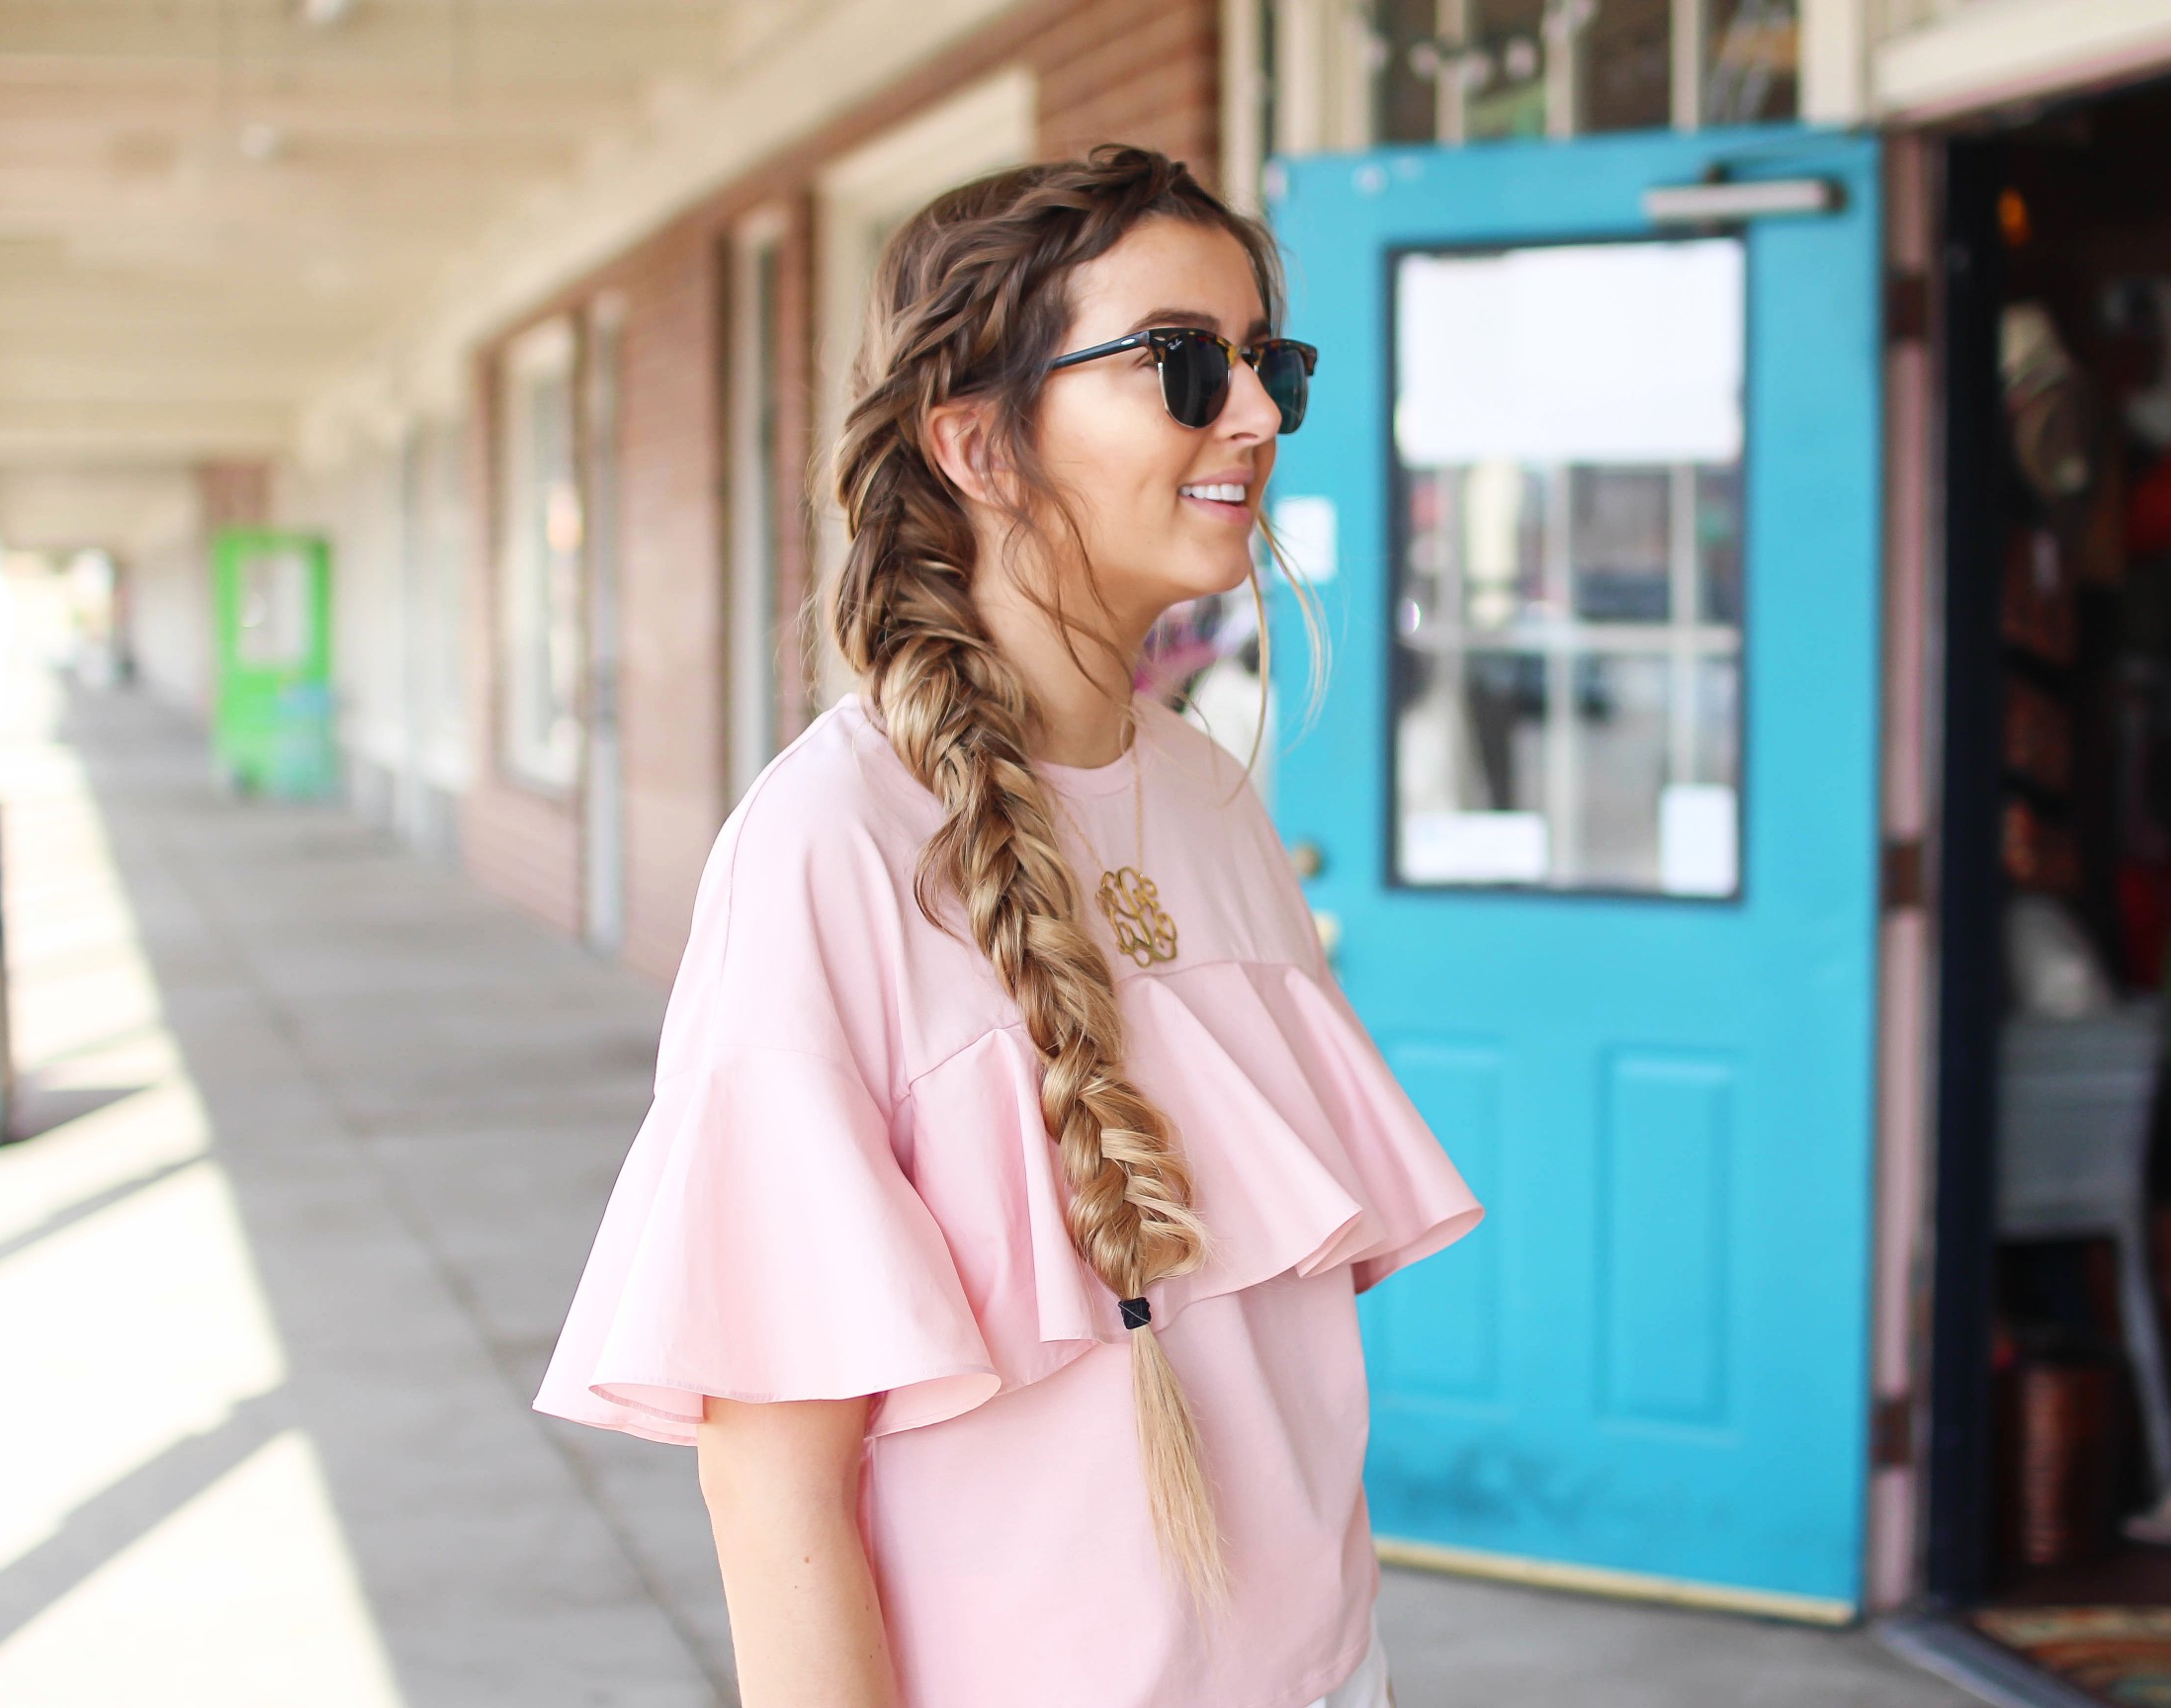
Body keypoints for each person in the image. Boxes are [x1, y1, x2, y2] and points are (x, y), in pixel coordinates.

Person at [536, 145, 1481, 1708]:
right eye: (1182, 363)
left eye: (1267, 364)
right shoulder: (827, 846)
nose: (1251, 416)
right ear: (975, 439)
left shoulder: (1211, 799)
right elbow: (772, 1485)